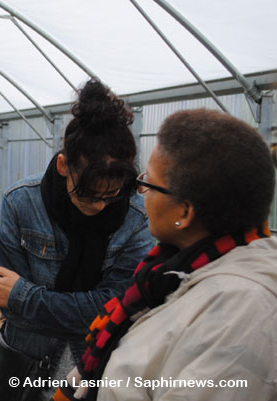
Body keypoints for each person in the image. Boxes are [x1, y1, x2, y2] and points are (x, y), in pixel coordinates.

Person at [54, 109, 277, 401]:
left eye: (149, 184)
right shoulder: (170, 271)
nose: (141, 192)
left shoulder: (239, 314)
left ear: (184, 212)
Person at [0, 79, 154, 401]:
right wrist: (85, 310)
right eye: (88, 194)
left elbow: (118, 307)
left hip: (90, 366)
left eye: (112, 195)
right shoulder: (22, 202)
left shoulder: (138, 217)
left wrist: (27, 297)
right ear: (64, 165)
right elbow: (6, 305)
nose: (99, 205)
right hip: (23, 361)